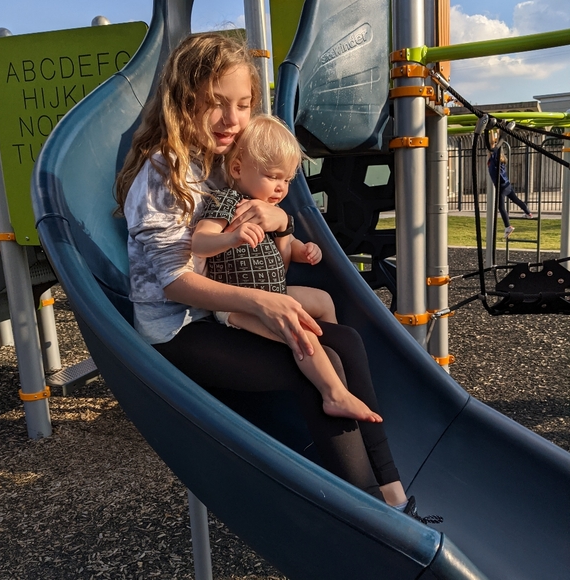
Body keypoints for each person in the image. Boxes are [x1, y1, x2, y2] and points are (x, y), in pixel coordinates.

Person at [115, 32, 441, 523]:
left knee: (347, 341)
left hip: (224, 310)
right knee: (312, 366)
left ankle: (394, 494)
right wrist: (261, 302)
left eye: (243, 104)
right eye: (215, 103)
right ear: (184, 102)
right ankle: (370, 516)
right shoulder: (164, 174)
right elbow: (175, 283)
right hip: (179, 329)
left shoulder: (224, 163)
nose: (231, 119)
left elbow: (267, 223)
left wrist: (282, 220)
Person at [192, 113, 381, 423]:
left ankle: (329, 348)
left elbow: (287, 246)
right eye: (272, 176)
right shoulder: (226, 202)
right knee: (298, 330)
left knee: (323, 300)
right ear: (237, 168)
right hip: (238, 303)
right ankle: (333, 394)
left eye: (287, 180)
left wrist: (304, 250)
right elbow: (200, 243)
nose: (281, 187)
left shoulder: (272, 209)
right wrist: (232, 237)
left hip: (274, 292)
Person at [487, 130, 533, 239]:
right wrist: (495, 131)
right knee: (516, 199)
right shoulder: (500, 159)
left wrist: (491, 131)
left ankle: (508, 226)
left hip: (501, 187)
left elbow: (493, 144)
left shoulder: (494, 159)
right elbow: (494, 144)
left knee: (501, 207)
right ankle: (528, 213)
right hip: (507, 185)